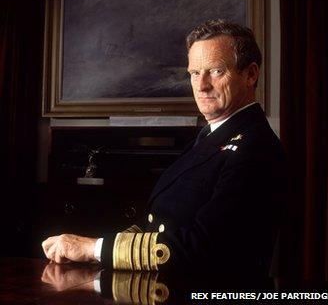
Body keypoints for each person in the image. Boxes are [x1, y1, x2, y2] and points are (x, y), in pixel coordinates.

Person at [42, 20, 286, 286]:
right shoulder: (210, 137)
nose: (201, 85)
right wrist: (98, 253)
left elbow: (204, 248)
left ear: (250, 74)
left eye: (216, 71)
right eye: (194, 73)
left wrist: (94, 248)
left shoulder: (254, 147)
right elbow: (160, 224)